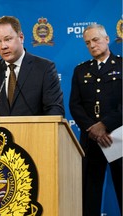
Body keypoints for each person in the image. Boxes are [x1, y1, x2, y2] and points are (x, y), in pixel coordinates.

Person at [69, 24, 122, 216]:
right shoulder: (80, 71)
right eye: (87, 42)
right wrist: (93, 129)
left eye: (96, 40)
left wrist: (104, 125)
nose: (92, 45)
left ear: (107, 39)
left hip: (118, 137)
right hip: (91, 140)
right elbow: (75, 105)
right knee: (89, 195)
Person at [0, 16, 64, 117]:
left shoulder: (44, 68)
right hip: (2, 132)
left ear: (21, 37)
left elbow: (55, 111)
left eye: (8, 39)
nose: (3, 46)